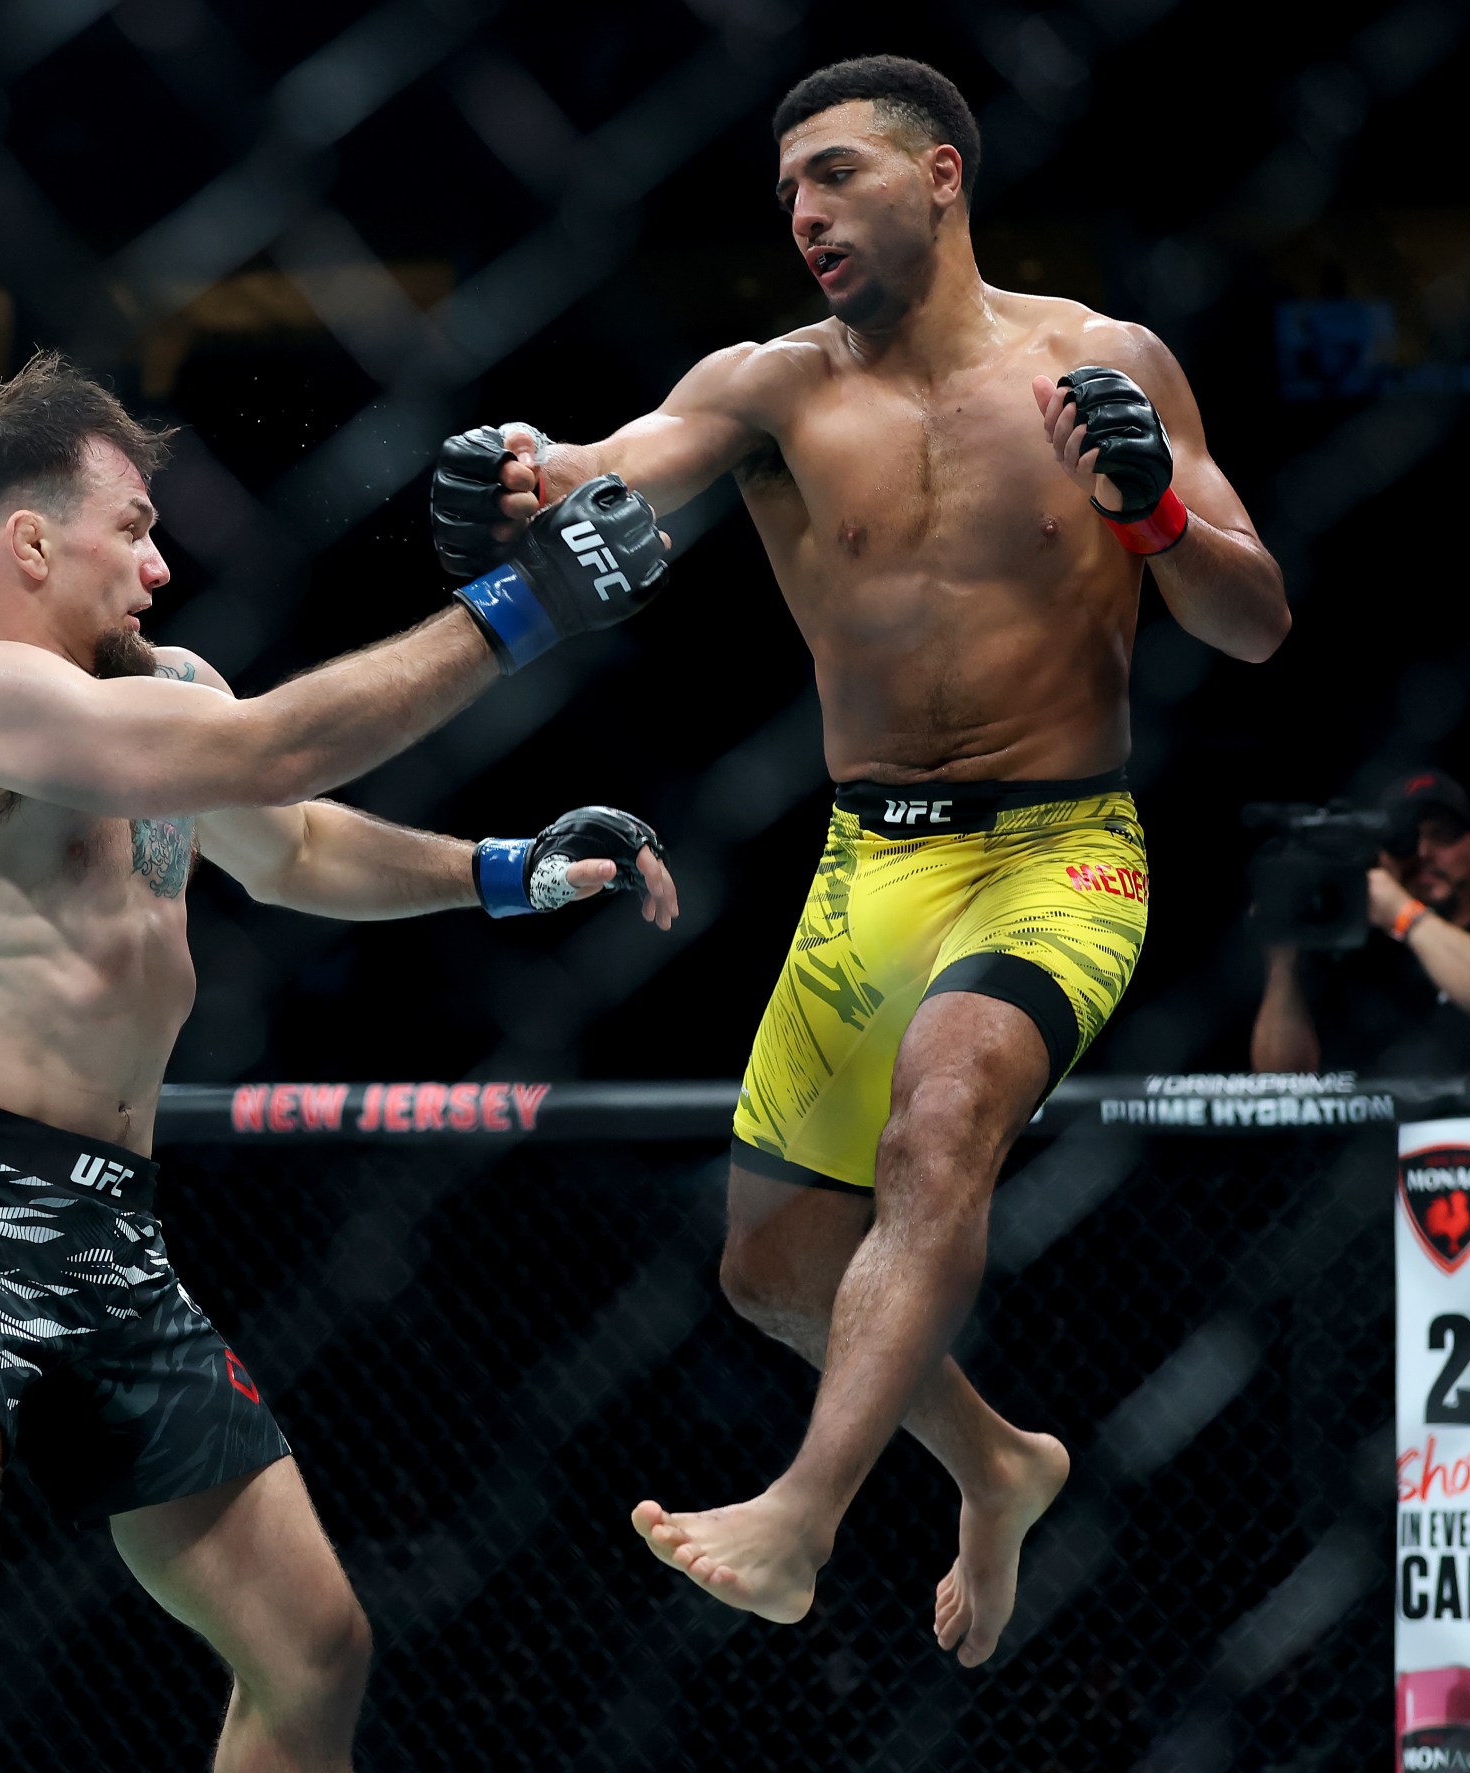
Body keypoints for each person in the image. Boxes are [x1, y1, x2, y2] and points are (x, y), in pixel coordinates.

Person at [0, 349, 680, 1773]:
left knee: (314, 1646)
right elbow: (270, 753)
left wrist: (504, 871)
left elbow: (298, 839)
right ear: (28, 540)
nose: (159, 560)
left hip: (117, 1224)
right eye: (131, 526)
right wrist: (522, 606)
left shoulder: (168, 688)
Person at [429, 55, 1290, 1658]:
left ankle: (798, 1519)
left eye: (836, 176)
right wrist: (509, 480)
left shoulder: (1104, 361)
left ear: (943, 172)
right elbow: (593, 469)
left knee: (946, 1106)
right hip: (867, 862)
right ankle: (1003, 1463)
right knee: (768, 1268)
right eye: (789, 197)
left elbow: (1255, 625)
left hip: (1060, 849)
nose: (808, 216)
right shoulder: (771, 389)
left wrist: (1158, 510)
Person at [1252, 769, 1470, 1073]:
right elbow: (1282, 1080)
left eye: (1443, 836)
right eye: (1405, 840)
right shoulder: (1347, 953)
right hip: (1373, 1121)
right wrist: (1282, 960)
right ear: (1383, 857)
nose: (1424, 852)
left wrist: (1404, 914)